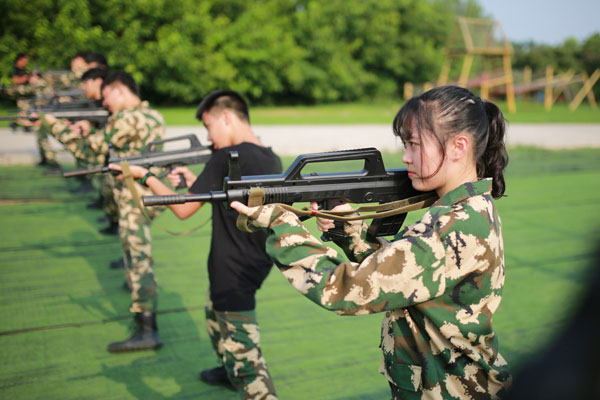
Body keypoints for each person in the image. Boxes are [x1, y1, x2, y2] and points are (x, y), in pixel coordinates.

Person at [231, 85, 512, 399]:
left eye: (414, 144)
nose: (405, 157)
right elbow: (408, 275)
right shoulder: (467, 209)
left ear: (459, 147)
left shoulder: (454, 225)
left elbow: (347, 290)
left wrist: (282, 224)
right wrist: (349, 231)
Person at [109, 89, 282, 399]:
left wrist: (145, 175)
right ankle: (227, 369)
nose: (209, 137)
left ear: (226, 117)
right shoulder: (271, 156)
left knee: (247, 361)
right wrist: (197, 179)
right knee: (213, 312)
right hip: (256, 261)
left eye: (208, 126)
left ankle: (238, 371)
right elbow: (228, 196)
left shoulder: (223, 158)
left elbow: (183, 209)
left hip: (231, 270)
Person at [45, 70, 166, 352]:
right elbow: (115, 144)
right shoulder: (153, 115)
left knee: (139, 263)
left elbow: (88, 152)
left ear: (120, 90)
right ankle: (145, 322)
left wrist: (51, 125)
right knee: (138, 259)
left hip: (132, 199)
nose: (104, 101)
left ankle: (147, 328)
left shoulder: (124, 118)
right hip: (146, 195)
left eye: (107, 94)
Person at [41, 67, 120, 235]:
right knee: (107, 189)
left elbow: (97, 140)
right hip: (107, 158)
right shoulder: (98, 106)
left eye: (86, 82)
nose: (83, 87)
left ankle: (115, 220)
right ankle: (112, 218)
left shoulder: (117, 114)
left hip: (112, 160)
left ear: (97, 81)